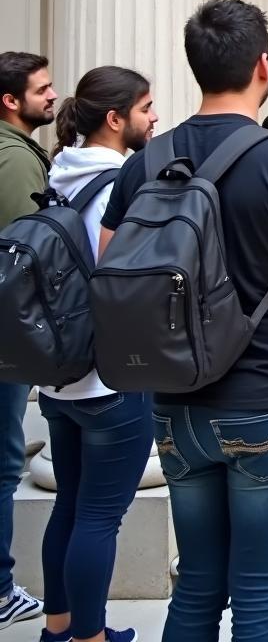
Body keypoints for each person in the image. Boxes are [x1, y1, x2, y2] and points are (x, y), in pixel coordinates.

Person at [99, 0, 268, 642]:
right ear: (263, 66)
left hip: (177, 400)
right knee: (264, 598)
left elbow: (111, 268)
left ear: (196, 67)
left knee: (196, 587)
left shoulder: (147, 161)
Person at [38, 67, 160, 642]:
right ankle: (89, 636)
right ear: (116, 119)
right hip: (109, 377)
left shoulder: (59, 173)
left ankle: (58, 627)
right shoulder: (120, 184)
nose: (154, 117)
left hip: (60, 373)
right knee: (98, 516)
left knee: (70, 506)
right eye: (146, 107)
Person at [0, 51, 57, 631]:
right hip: (5, 338)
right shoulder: (17, 161)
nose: (52, 97)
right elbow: (24, 256)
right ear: (10, 100)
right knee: (2, 461)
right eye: (42, 90)